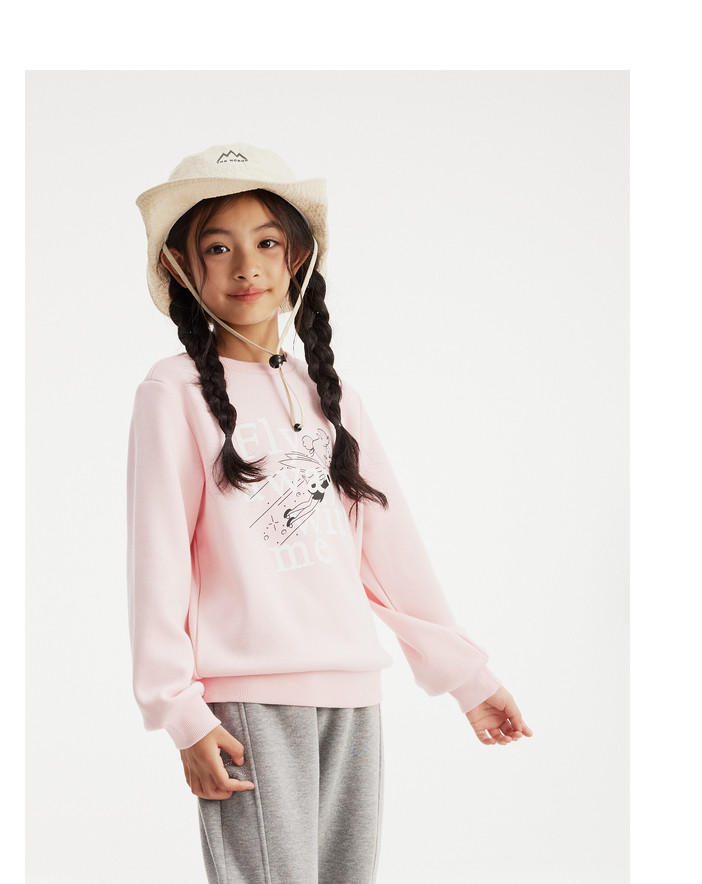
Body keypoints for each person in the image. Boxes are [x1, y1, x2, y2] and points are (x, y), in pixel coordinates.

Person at [127, 143, 532, 883]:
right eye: (217, 247)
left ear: (297, 258)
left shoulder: (329, 395)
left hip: (351, 697)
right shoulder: (172, 391)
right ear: (183, 267)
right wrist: (179, 712)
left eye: (266, 243)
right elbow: (158, 561)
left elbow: (390, 549)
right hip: (246, 703)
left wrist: (468, 678)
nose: (246, 266)